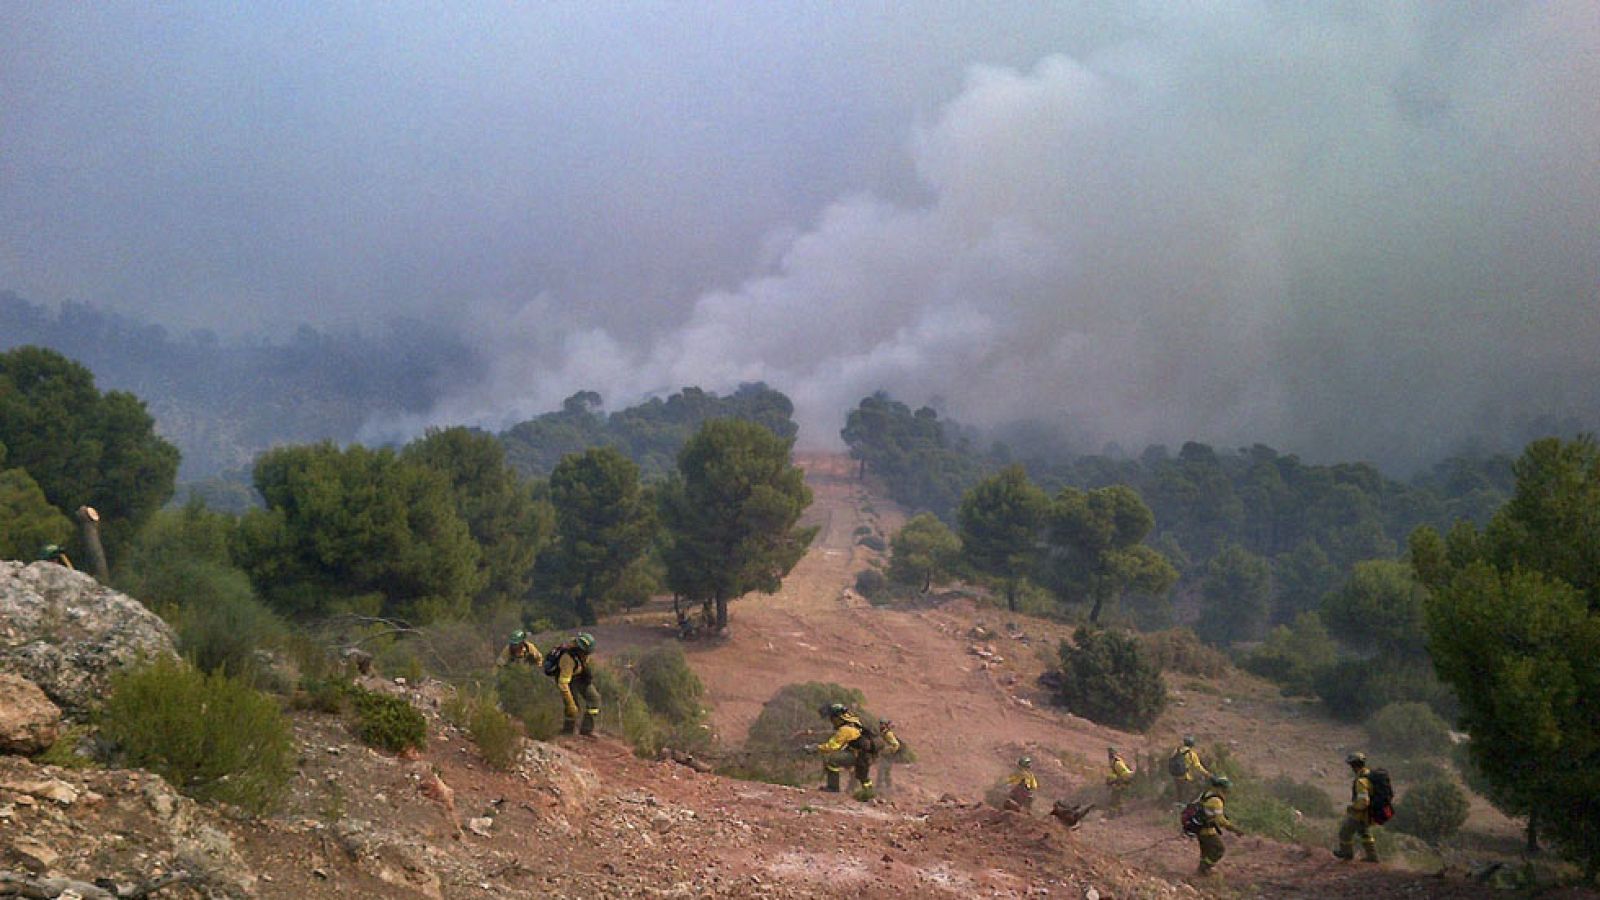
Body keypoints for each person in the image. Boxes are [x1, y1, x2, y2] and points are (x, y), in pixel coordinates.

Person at [811, 703, 878, 793]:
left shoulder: (845, 730)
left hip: (859, 755)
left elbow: (832, 746)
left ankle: (833, 787)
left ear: (837, 718)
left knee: (832, 760)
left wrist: (816, 747)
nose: (831, 721)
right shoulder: (854, 721)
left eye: (832, 718)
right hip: (865, 754)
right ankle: (869, 794)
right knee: (863, 776)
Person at [550, 632, 601, 735]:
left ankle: (586, 730)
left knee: (594, 699)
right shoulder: (567, 659)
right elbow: (563, 684)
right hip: (568, 681)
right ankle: (567, 731)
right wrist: (570, 703)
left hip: (580, 676)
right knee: (573, 707)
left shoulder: (582, 653)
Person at [1194, 775, 1245, 876]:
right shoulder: (1216, 801)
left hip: (1200, 829)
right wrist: (1235, 829)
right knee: (1219, 850)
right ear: (1220, 788)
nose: (1227, 792)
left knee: (1206, 852)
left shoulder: (1206, 794)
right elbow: (1220, 820)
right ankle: (1204, 868)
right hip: (1207, 831)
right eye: (1226, 790)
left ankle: (1202, 872)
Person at [1335, 752, 1380, 863]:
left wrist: (1353, 807)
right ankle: (1372, 856)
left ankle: (1347, 854)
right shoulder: (1369, 774)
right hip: (1371, 811)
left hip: (1361, 812)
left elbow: (1363, 800)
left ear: (1353, 765)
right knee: (1364, 832)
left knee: (1345, 832)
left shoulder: (1361, 781)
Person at [1170, 735, 1211, 800]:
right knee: (1188, 794)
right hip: (1185, 776)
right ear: (1192, 744)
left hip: (1175, 775)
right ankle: (1184, 806)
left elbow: (1171, 759)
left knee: (1179, 793)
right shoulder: (1192, 754)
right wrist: (1207, 773)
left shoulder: (1176, 750)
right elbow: (1198, 766)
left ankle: (1177, 805)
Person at [874, 718, 903, 793]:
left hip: (888, 756)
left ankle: (882, 787)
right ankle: (886, 787)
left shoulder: (888, 734)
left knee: (883, 770)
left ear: (885, 725)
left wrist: (885, 751)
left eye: (882, 724)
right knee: (884, 771)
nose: (880, 725)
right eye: (880, 724)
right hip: (885, 755)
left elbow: (896, 745)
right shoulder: (883, 733)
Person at [1105, 746, 1135, 812]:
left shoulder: (1115, 761)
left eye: (1110, 753)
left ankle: (1115, 811)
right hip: (1125, 777)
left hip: (1124, 777)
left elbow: (1120, 773)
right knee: (1117, 795)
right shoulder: (1118, 760)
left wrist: (1112, 781)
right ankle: (1119, 810)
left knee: (1116, 794)